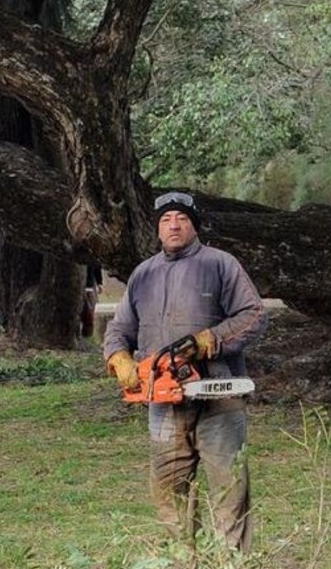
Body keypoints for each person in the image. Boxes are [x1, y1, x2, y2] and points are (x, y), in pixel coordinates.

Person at [102, 191, 269, 553]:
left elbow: (254, 315)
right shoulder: (143, 274)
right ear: (158, 229)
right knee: (168, 489)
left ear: (194, 225)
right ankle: (182, 559)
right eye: (166, 219)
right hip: (163, 405)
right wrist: (119, 357)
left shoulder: (220, 264)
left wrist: (213, 338)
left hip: (218, 396)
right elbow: (119, 328)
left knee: (229, 488)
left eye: (181, 218)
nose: (174, 225)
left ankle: (232, 561)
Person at [79, 264, 103, 338]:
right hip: (85, 284)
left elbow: (96, 265)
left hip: (89, 285)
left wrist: (99, 282)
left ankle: (87, 335)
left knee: (89, 311)